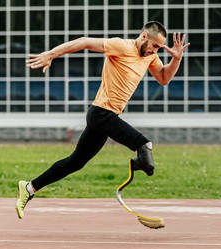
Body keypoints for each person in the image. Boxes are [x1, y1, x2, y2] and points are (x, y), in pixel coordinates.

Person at [15, 21, 190, 219]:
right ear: (143, 37)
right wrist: (51, 54)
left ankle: (29, 187)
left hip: (106, 116)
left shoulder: (149, 57)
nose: (156, 51)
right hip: (101, 114)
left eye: (159, 48)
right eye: (155, 46)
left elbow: (163, 78)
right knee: (144, 145)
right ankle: (138, 161)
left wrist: (176, 59)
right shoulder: (122, 46)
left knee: (76, 162)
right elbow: (84, 42)